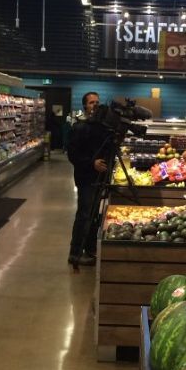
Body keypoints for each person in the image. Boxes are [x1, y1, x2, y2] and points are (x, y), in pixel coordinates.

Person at [67, 91, 109, 266]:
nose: (95, 105)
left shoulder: (99, 127)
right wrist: (92, 163)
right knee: (84, 215)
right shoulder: (78, 127)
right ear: (85, 106)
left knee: (93, 216)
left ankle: (90, 249)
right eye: (92, 102)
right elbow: (73, 155)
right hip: (85, 178)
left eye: (97, 102)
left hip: (99, 178)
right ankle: (75, 254)